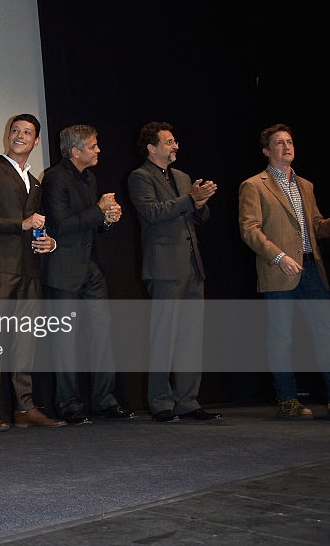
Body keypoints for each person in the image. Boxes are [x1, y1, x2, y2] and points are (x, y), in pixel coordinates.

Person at [0, 114, 65, 431]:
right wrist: (20, 225)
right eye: (15, 130)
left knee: (25, 340)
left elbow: (37, 225)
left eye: (27, 132)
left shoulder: (36, 182)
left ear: (37, 141)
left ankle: (24, 407)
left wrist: (48, 242)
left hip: (30, 268)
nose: (20, 135)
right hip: (0, 266)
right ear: (7, 136)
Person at [40, 124, 135, 424]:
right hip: (64, 269)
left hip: (91, 267)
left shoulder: (89, 177)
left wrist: (106, 219)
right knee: (65, 343)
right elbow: (60, 226)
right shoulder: (55, 177)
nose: (98, 151)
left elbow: (88, 224)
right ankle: (69, 406)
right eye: (93, 146)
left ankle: (104, 401)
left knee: (102, 336)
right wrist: (98, 210)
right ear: (75, 151)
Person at [128, 122, 221, 423]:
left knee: (191, 337)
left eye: (175, 141)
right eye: (168, 142)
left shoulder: (183, 177)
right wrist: (190, 200)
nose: (175, 146)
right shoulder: (139, 177)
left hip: (192, 264)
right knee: (163, 337)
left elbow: (197, 217)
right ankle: (160, 402)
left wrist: (201, 204)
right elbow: (153, 212)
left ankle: (188, 401)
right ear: (151, 147)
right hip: (164, 266)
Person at [239, 124, 330, 419]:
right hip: (279, 269)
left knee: (324, 334)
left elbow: (316, 226)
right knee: (282, 336)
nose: (287, 147)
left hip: (311, 266)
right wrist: (279, 257)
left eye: (290, 142)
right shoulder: (254, 185)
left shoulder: (306, 185)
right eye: (279, 143)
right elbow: (250, 230)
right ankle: (288, 399)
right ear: (267, 151)